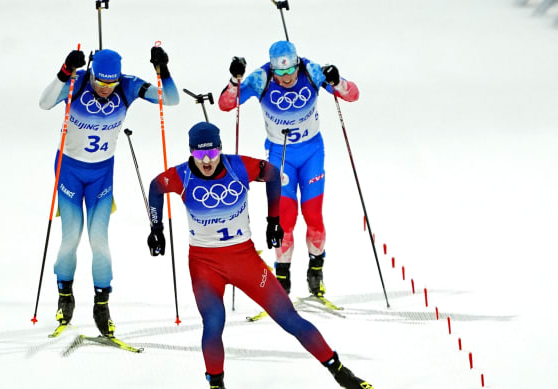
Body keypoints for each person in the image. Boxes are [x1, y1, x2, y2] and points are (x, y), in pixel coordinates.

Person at [146, 122, 373, 389]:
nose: (206, 161)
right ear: (190, 153)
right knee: (214, 321)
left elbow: (273, 174)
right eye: (198, 155)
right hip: (204, 265)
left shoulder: (238, 166)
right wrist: (156, 228)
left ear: (220, 149)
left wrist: (273, 220)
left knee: (288, 317)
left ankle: (340, 372)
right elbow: (155, 186)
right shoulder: (182, 175)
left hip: (245, 260)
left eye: (211, 153)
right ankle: (216, 384)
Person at [39, 45, 179, 337]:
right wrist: (65, 71)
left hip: (102, 175)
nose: (105, 89)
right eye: (100, 83)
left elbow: (171, 100)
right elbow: (45, 103)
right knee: (71, 238)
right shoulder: (77, 82)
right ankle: (65, 295)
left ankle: (102, 305)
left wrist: (163, 71)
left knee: (99, 241)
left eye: (110, 84)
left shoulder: (127, 86)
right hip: (69, 171)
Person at [218, 40, 360, 299]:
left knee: (314, 217)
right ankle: (282, 278)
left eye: (289, 71)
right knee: (285, 221)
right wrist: (234, 79)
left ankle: (316, 271)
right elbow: (226, 104)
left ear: (296, 63)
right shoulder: (262, 78)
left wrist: (337, 81)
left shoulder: (311, 71)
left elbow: (352, 95)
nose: (285, 78)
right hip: (280, 156)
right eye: (279, 73)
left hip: (311, 154)